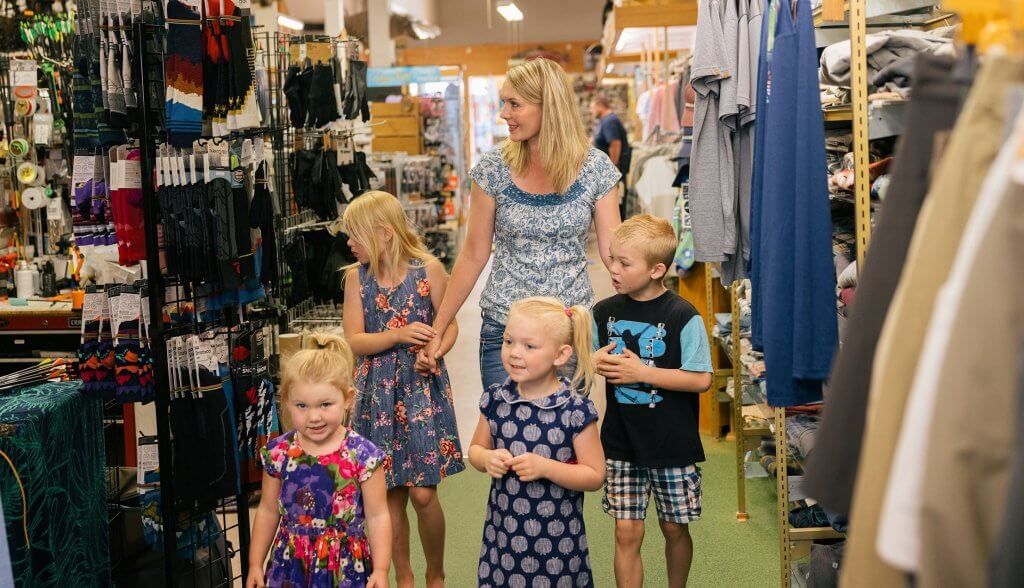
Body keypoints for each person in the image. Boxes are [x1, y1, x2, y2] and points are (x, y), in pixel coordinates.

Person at [420, 57, 623, 391]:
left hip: (569, 333)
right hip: (506, 331)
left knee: (567, 439)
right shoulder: (493, 168)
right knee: (504, 438)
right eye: (504, 102)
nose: (504, 113)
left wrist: (652, 312)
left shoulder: (595, 169)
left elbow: (615, 254)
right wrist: (439, 328)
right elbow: (473, 254)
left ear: (550, 107)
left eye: (515, 104)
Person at [340, 191, 464, 588]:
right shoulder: (355, 278)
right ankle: (403, 578)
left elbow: (450, 325)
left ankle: (435, 573)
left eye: (355, 234)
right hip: (376, 394)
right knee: (387, 494)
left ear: (385, 234)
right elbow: (355, 341)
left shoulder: (428, 271)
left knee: (425, 494)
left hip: (420, 391)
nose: (349, 243)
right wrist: (398, 335)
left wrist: (435, 349)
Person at [591, 214, 713, 588]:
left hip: (672, 443)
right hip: (622, 439)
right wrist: (589, 363)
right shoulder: (603, 311)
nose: (613, 268)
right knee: (627, 532)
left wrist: (641, 372)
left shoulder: (683, 316)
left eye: (624, 263)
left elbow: (702, 379)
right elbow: (586, 363)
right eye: (612, 258)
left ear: (657, 269)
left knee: (674, 527)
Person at [469, 296, 606, 587]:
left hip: (558, 547)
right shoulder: (496, 399)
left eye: (529, 346)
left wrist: (546, 468)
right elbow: (476, 450)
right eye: (508, 342)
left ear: (560, 354)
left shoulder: (575, 410)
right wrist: (486, 459)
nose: (514, 353)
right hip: (503, 541)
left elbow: (595, 475)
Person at [247, 333, 391, 588]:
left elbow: (378, 515)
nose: (314, 417)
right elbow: (268, 510)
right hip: (290, 568)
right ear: (286, 402)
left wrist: (381, 569)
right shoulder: (279, 454)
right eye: (302, 405)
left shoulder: (364, 456)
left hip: (346, 569)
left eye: (325, 404)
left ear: (347, 399)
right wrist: (255, 564)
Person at [590, 92, 632, 179]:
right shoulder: (603, 120)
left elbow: (615, 144)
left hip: (609, 170)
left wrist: (612, 169)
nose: (591, 111)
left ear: (600, 106)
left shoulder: (610, 121)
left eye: (592, 108)